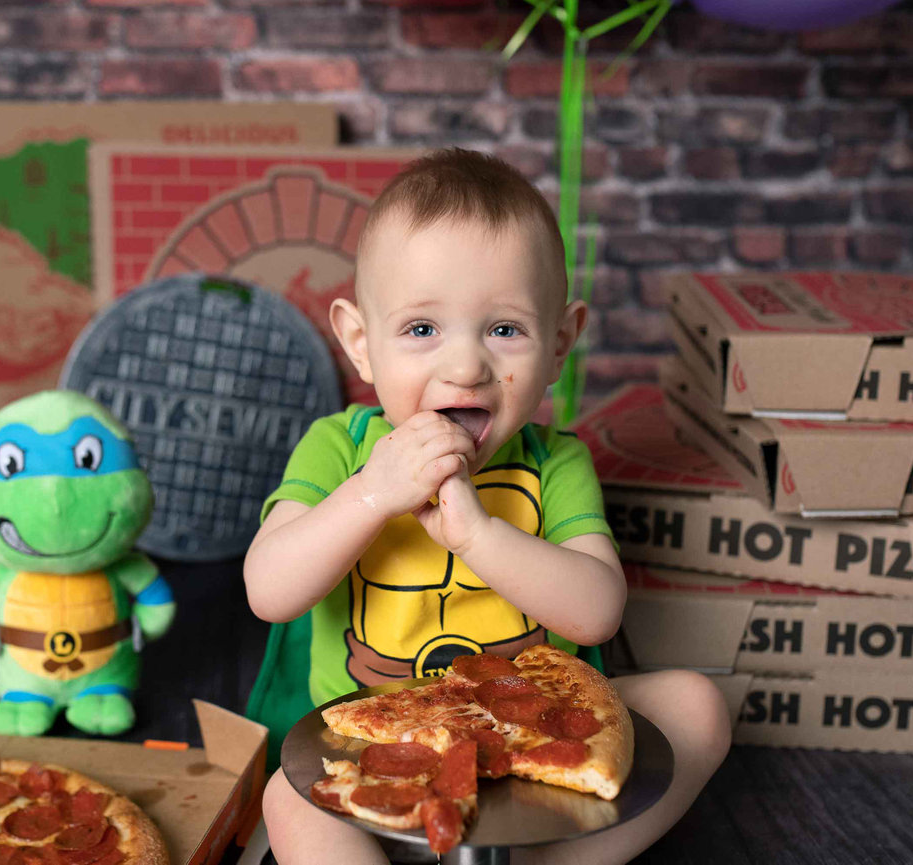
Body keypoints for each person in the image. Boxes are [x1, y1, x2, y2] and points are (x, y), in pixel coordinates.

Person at [244, 147, 731, 864]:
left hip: (536, 751)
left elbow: (597, 610)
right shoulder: (338, 448)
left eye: (504, 329)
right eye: (421, 330)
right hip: (367, 744)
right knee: (288, 801)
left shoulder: (554, 461)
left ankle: (550, 863)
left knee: (699, 705)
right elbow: (269, 590)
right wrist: (373, 493)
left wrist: (477, 533)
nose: (466, 365)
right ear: (361, 342)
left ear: (560, 341)